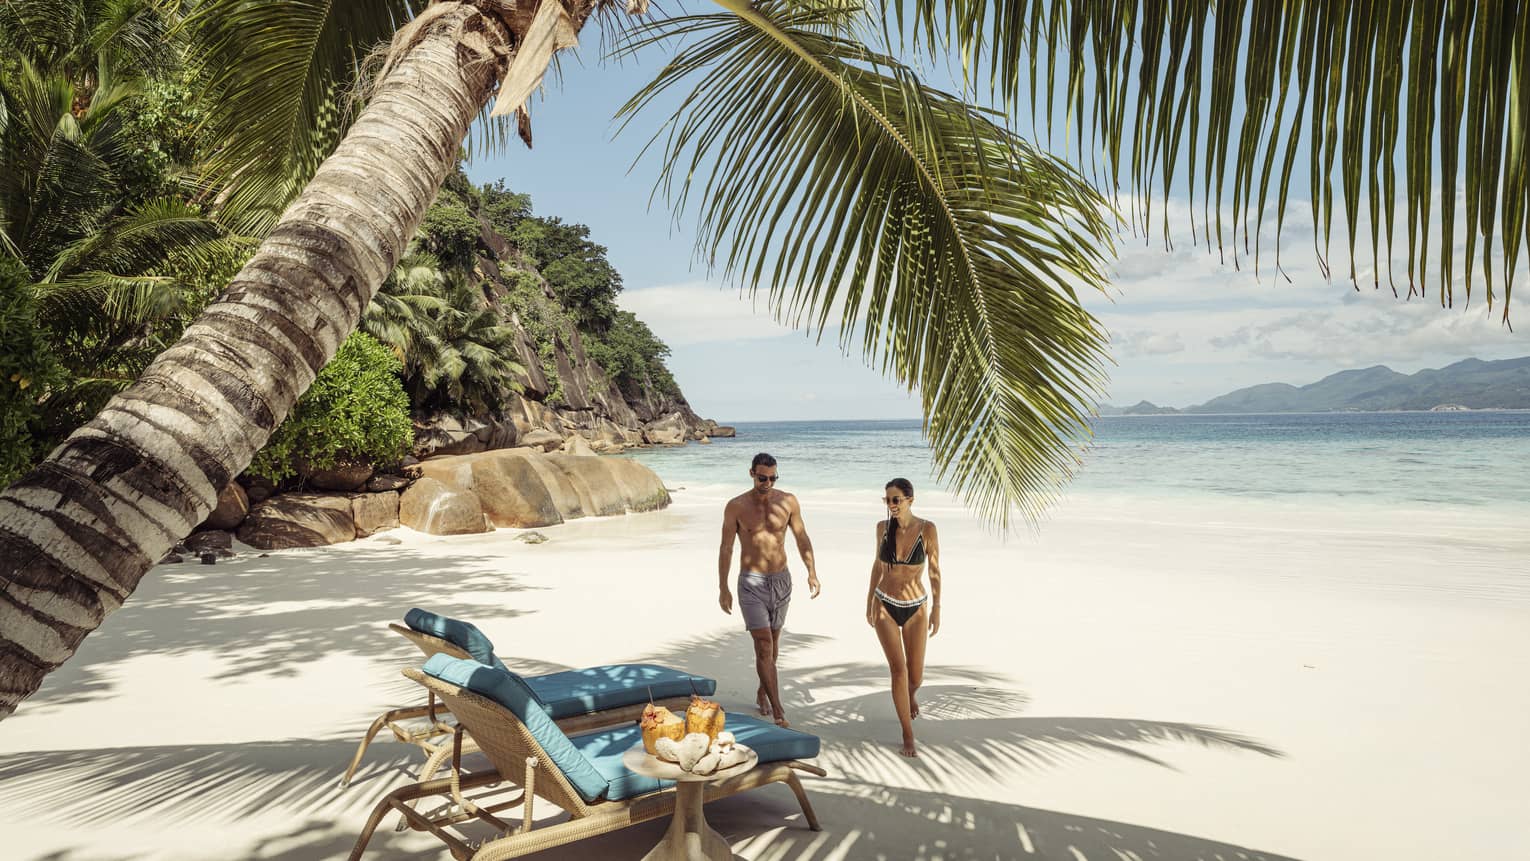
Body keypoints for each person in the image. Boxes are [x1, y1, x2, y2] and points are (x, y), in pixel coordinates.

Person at [718, 452, 821, 727]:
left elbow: (801, 537)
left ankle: (763, 690)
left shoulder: (787, 502)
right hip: (751, 584)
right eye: (763, 477)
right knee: (763, 646)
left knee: (772, 649)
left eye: (773, 478)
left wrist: (812, 571)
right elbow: (726, 547)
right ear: (751, 473)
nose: (768, 483)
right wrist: (723, 587)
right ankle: (779, 711)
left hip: (781, 581)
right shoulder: (736, 506)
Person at [865, 477, 941, 757]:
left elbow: (934, 571)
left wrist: (937, 608)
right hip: (885, 603)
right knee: (898, 670)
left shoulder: (928, 529)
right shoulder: (882, 528)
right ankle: (907, 734)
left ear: (910, 499)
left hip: (917, 606)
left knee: (916, 675)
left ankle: (910, 696)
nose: (891, 505)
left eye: (896, 499)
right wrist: (870, 599)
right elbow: (877, 565)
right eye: (887, 500)